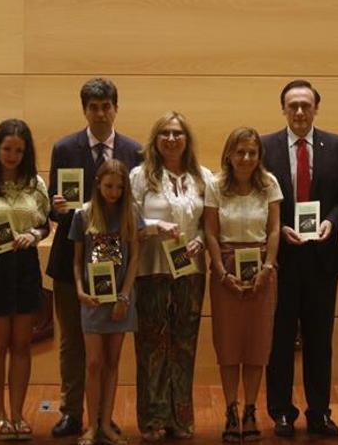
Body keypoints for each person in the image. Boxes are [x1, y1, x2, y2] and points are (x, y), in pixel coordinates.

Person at [47, 78, 143, 437]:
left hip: (118, 268)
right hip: (72, 262)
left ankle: (104, 416)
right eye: (93, 106)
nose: (100, 113)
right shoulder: (64, 148)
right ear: (84, 109)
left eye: (106, 106)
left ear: (116, 108)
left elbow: (136, 209)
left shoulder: (135, 152)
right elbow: (57, 208)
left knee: (110, 350)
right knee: (74, 341)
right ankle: (72, 411)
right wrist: (56, 208)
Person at [262, 80, 338, 438]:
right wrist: (279, 228)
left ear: (316, 108)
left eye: (306, 105)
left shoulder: (337, 146)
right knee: (279, 340)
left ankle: (319, 412)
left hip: (322, 260)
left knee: (319, 341)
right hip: (281, 259)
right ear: (283, 109)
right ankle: (281, 412)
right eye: (293, 105)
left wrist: (332, 221)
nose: (299, 112)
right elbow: (259, 199)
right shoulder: (265, 147)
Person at [130, 111, 212, 441]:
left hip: (190, 271)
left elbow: (211, 224)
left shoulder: (203, 176)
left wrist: (201, 240)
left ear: (187, 139)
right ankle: (152, 419)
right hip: (150, 269)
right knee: (151, 345)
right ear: (155, 139)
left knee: (184, 344)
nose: (172, 138)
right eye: (164, 132)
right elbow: (128, 222)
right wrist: (153, 227)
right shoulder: (140, 176)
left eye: (178, 132)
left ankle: (180, 418)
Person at [0, 119, 50, 441]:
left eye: (19, 150)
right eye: (7, 148)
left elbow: (45, 224)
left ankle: (17, 414)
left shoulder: (36, 184)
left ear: (26, 151)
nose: (12, 155)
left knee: (22, 345)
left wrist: (34, 234)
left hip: (26, 267)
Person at [203, 127, 282, 442]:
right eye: (240, 152)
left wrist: (268, 267)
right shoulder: (215, 186)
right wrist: (222, 273)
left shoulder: (269, 184)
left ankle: (250, 409)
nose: (246, 158)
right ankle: (231, 409)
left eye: (252, 152)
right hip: (225, 271)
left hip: (262, 270)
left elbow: (275, 229)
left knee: (256, 346)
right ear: (229, 155)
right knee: (228, 346)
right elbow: (209, 232)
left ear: (259, 155)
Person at [69, 159, 143, 445]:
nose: (113, 192)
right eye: (109, 186)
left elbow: (135, 256)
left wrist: (124, 296)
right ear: (98, 183)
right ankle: (91, 425)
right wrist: (79, 290)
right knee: (94, 363)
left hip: (120, 300)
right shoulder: (83, 215)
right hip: (92, 299)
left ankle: (107, 424)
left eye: (119, 187)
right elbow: (76, 262)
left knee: (113, 362)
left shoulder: (131, 213)